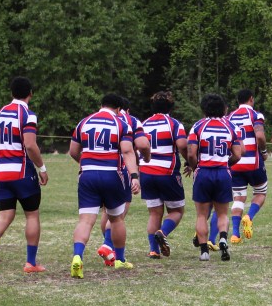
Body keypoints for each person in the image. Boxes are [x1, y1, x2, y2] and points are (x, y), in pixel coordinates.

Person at [0, 77, 49, 276]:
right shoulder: (28, 114)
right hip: (22, 173)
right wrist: (42, 168)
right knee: (32, 214)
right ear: (30, 93)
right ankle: (30, 263)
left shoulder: (1, 112)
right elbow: (30, 145)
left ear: (11, 93)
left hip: (1, 173)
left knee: (4, 216)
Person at [69, 94, 140, 278]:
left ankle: (77, 256)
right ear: (118, 109)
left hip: (87, 176)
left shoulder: (84, 122)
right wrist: (134, 176)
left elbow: (73, 151)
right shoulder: (121, 124)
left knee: (85, 221)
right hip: (111, 175)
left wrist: (86, 164)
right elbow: (127, 151)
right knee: (116, 219)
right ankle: (120, 259)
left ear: (101, 105)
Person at [188, 93, 242, 261]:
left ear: (204, 109)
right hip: (223, 172)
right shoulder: (231, 127)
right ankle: (223, 239)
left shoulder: (198, 126)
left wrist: (195, 166)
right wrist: (226, 163)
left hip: (203, 172)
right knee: (222, 213)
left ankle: (204, 251)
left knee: (201, 215)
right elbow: (238, 154)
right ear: (223, 109)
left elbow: (191, 154)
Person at [97, 97, 151, 265]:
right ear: (125, 109)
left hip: (99, 169)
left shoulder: (101, 119)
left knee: (107, 212)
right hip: (122, 172)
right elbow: (142, 144)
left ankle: (110, 250)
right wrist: (146, 157)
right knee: (118, 216)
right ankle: (108, 245)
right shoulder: (131, 120)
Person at [138, 91, 187, 259]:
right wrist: (190, 161)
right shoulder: (174, 124)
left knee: (154, 213)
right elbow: (182, 145)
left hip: (146, 171)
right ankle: (162, 232)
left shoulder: (144, 124)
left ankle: (154, 250)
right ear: (171, 107)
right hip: (167, 172)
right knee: (177, 211)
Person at [225, 89, 268, 244]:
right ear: (251, 99)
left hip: (235, 162)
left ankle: (235, 235)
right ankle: (249, 217)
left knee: (238, 198)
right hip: (253, 162)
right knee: (260, 192)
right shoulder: (256, 115)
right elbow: (260, 136)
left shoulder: (229, 117)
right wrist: (264, 151)